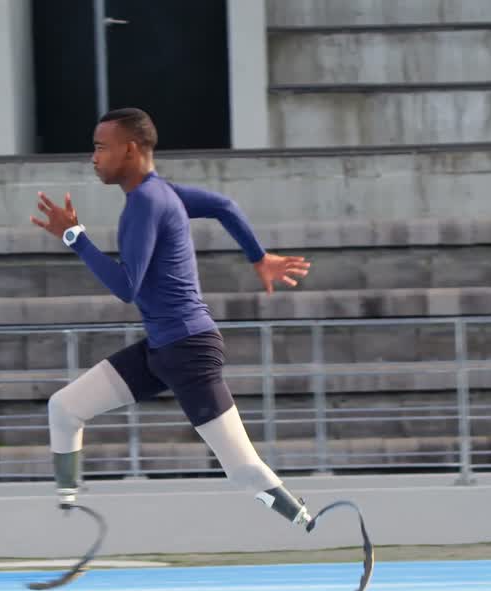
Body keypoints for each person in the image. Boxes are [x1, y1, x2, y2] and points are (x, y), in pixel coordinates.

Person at [31, 107, 315, 526]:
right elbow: (224, 205)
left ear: (129, 150)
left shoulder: (145, 204)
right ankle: (69, 507)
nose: (93, 157)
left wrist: (75, 237)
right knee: (65, 408)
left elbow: (128, 288)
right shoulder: (164, 194)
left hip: (188, 350)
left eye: (100, 147)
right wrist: (259, 257)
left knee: (242, 468)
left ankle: (308, 519)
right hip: (163, 349)